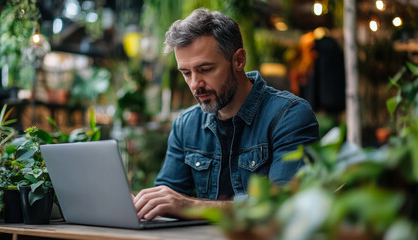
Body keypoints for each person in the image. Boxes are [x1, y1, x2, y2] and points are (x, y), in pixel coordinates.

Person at [133, 8, 319, 221]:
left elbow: (286, 207)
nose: (195, 84)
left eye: (205, 69)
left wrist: (189, 205)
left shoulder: (289, 116)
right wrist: (142, 205)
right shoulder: (186, 125)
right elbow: (166, 201)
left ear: (239, 60)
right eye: (186, 73)